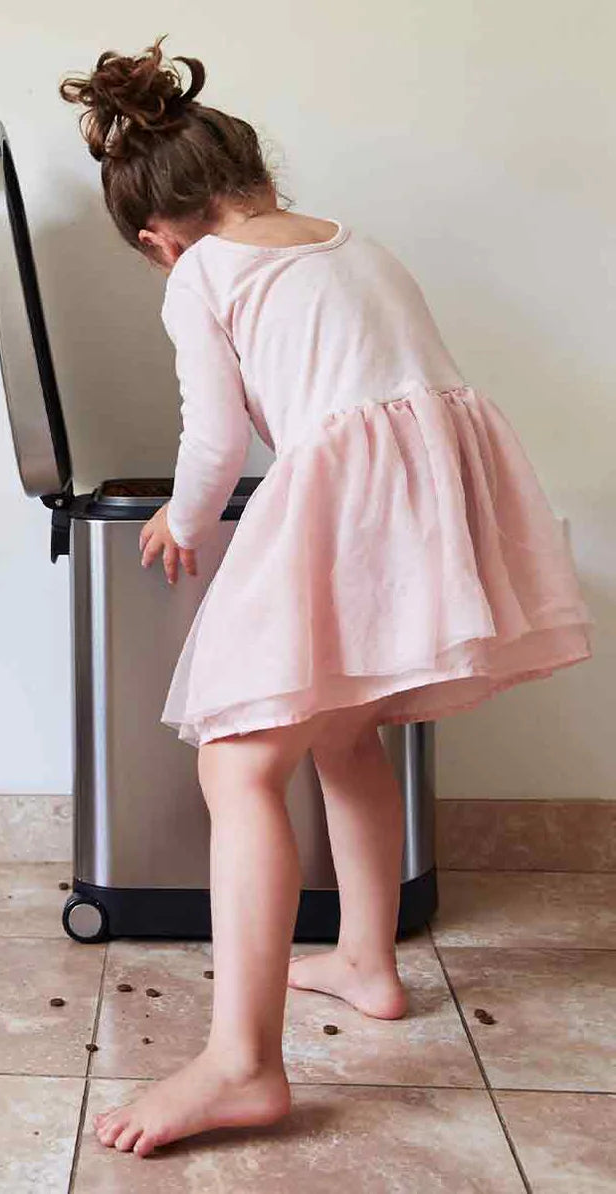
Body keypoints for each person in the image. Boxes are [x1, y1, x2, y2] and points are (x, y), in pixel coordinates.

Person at [59, 38, 591, 1158]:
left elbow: (215, 438)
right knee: (349, 736)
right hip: (436, 509)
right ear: (253, 176)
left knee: (240, 759)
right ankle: (367, 960)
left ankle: (244, 1066)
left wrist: (184, 522)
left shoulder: (204, 272)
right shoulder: (360, 244)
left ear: (159, 237)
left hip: (348, 506)